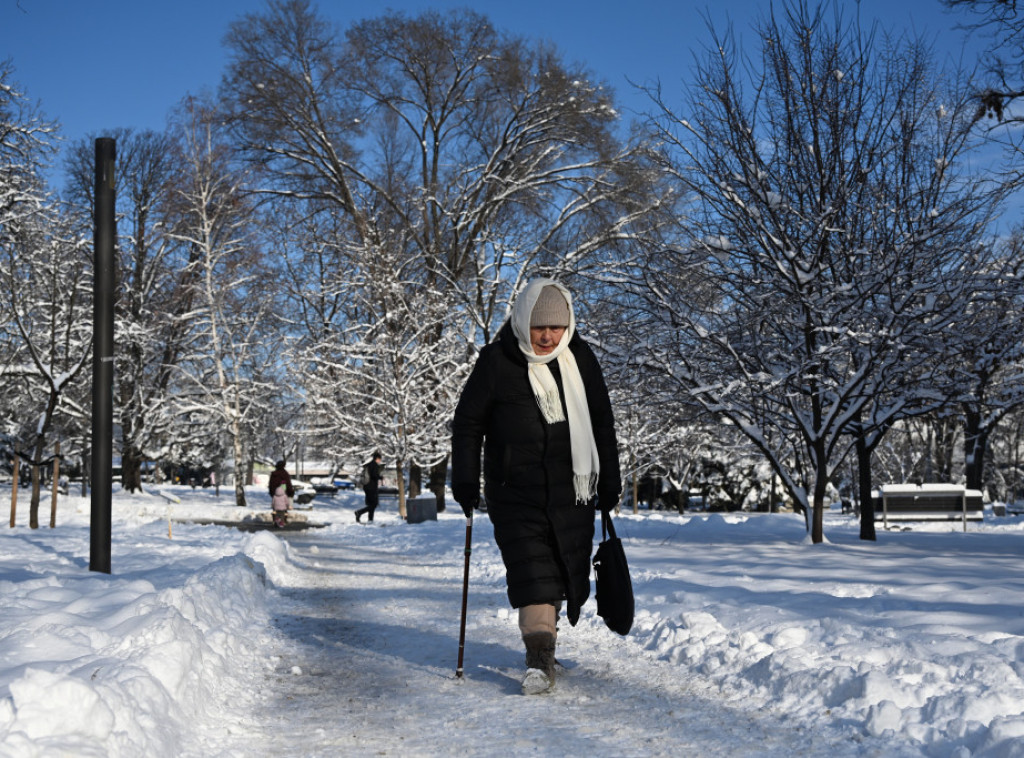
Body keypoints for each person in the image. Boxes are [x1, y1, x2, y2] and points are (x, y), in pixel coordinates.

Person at [450, 278, 621, 694]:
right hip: (515, 490)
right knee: (533, 571)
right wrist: (466, 478)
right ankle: (539, 659)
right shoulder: (497, 361)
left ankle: (546, 642)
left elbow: (601, 421)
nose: (547, 336)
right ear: (523, 321)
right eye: (540, 327)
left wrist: (611, 476)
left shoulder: (581, 359)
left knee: (563, 568)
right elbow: (469, 424)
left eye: (557, 328)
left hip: (572, 489)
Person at [355, 452, 383, 523]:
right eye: (380, 459)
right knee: (374, 504)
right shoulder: (374, 465)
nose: (380, 460)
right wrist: (380, 477)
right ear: (377, 459)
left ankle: (370, 520)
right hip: (371, 487)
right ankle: (359, 512)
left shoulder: (369, 465)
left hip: (367, 486)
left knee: (371, 504)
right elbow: (374, 475)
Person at [268, 460, 295, 526]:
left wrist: (272, 493)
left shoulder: (273, 474)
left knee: (275, 507)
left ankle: (275, 520)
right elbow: (288, 484)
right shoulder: (285, 474)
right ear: (283, 466)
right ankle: (283, 521)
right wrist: (291, 492)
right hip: (284, 493)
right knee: (284, 508)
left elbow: (270, 484)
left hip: (275, 493)